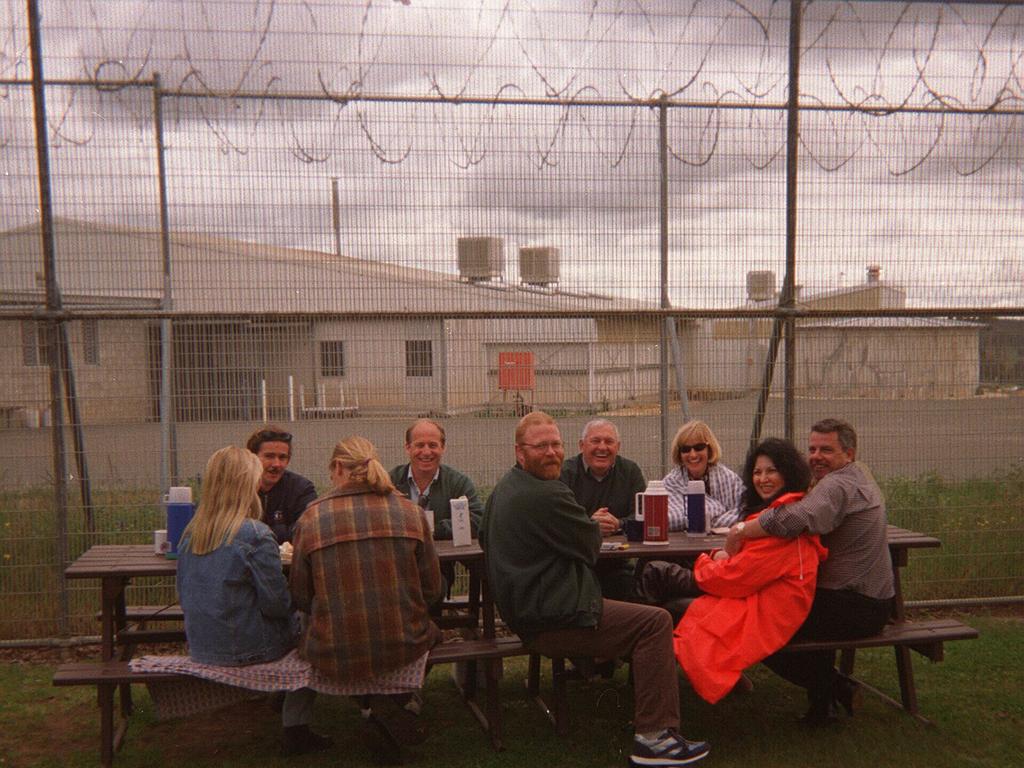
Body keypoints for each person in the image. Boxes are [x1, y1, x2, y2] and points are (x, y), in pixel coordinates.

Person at [481, 411, 709, 767]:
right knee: (656, 622)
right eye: (541, 446)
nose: (552, 452)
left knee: (632, 599)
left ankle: (610, 672)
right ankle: (654, 739)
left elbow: (488, 538)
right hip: (553, 618)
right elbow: (589, 545)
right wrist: (590, 526)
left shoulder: (504, 490)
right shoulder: (546, 494)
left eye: (555, 444)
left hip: (531, 609)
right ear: (519, 452)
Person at [724, 419, 895, 725]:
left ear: (849, 453)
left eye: (826, 450)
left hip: (854, 605)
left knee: (760, 626)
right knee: (801, 604)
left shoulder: (838, 483)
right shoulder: (860, 476)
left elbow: (795, 519)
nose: (816, 456)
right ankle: (823, 706)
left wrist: (741, 531)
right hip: (874, 603)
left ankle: (835, 687)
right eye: (812, 448)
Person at [291, 436, 444, 761]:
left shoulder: (311, 518)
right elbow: (433, 591)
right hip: (404, 643)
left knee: (325, 628)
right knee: (432, 632)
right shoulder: (410, 513)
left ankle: (369, 706)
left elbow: (302, 597)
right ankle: (391, 703)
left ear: (336, 469)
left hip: (334, 649)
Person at [643, 438, 827, 704]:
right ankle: (646, 676)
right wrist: (720, 557)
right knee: (660, 583)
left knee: (662, 596)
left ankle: (641, 680)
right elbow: (742, 571)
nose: (762, 479)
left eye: (771, 471)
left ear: (788, 472)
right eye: (757, 472)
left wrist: (710, 560)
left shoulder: (783, 522)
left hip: (765, 611)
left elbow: (734, 578)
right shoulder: (777, 514)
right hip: (756, 598)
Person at [176, 446, 330, 757]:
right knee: (317, 625)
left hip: (203, 645)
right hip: (247, 649)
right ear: (246, 484)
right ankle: (296, 727)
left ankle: (285, 703)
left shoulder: (191, 533)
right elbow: (276, 604)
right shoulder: (255, 535)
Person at [559, 418, 646, 602]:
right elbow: (558, 521)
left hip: (619, 564)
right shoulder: (564, 474)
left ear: (618, 446)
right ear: (582, 445)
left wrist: (619, 524)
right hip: (576, 565)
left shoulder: (630, 472)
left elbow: (642, 516)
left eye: (609, 441)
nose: (602, 447)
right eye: (595, 441)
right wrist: (590, 525)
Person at [389, 418, 483, 541]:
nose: (427, 452)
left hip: (444, 559)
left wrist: (435, 530)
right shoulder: (390, 482)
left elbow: (477, 520)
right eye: (420, 445)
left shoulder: (458, 483)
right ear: (408, 447)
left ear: (443, 448)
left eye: (433, 445)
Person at [662, 420, 743, 531]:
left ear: (709, 449)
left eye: (699, 447)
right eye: (685, 449)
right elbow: (663, 519)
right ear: (679, 454)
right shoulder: (670, 482)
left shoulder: (729, 479)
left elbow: (743, 514)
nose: (693, 454)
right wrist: (714, 513)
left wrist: (701, 520)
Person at [246, 425, 318, 543]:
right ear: (252, 458)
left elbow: (308, 530)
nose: (277, 464)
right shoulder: (238, 488)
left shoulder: (302, 489)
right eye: (269, 456)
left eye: (282, 457)